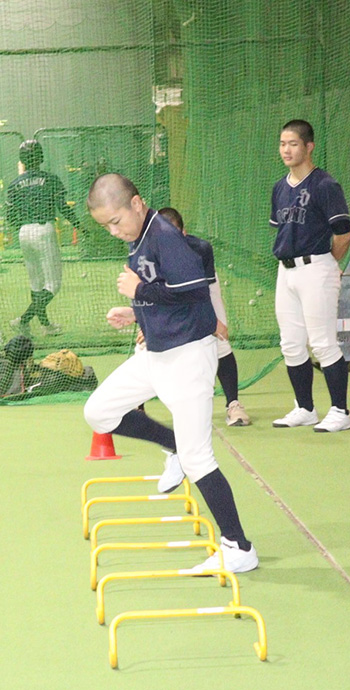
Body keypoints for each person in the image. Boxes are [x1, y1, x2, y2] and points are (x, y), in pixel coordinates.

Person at [83, 173, 257, 573]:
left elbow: (195, 292)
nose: (113, 231)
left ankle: (239, 547)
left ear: (137, 204)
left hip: (188, 358)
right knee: (99, 413)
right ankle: (172, 445)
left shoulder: (164, 234)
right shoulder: (138, 237)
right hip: (155, 354)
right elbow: (167, 291)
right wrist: (136, 311)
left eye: (115, 221)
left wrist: (139, 293)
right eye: (105, 226)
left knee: (200, 459)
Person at [269, 119, 350, 432]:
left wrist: (326, 264)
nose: (286, 150)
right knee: (291, 343)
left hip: (316, 266)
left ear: (308, 146)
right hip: (286, 270)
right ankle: (305, 407)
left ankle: (341, 411)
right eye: (282, 144)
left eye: (293, 144)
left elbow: (343, 233)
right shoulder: (280, 188)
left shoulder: (325, 185)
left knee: (322, 342)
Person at [156, 207, 250, 427]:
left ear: (184, 232)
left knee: (220, 342)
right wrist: (146, 323)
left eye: (175, 234)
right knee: (146, 344)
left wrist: (213, 321)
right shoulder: (150, 251)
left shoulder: (201, 249)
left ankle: (233, 404)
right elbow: (150, 293)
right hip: (166, 296)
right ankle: (137, 407)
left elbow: (203, 292)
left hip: (204, 290)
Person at [6, 140, 80, 335]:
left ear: (22, 159)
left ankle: (46, 326)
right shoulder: (50, 179)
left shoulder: (15, 184)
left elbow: (10, 216)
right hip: (44, 230)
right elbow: (62, 207)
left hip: (24, 233)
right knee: (53, 285)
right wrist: (79, 226)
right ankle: (23, 320)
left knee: (36, 283)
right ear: (40, 158)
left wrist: (22, 226)